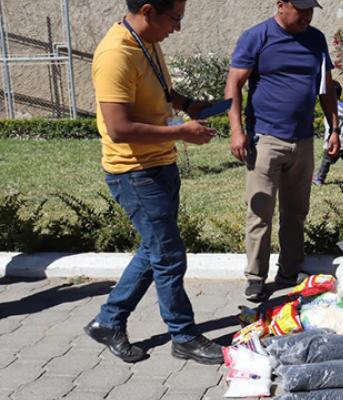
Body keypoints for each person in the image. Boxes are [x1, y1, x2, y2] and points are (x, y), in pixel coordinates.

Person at [84, 0, 223, 365]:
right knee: (169, 255)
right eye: (174, 18)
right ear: (147, 10)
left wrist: (189, 105)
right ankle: (183, 335)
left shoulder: (146, 42)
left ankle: (108, 321)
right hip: (135, 172)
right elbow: (118, 128)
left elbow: (160, 92)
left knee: (155, 249)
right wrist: (181, 132)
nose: (177, 27)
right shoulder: (115, 54)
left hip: (160, 165)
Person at [225, 0, 340, 302]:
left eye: (310, 9)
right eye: (300, 9)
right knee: (260, 211)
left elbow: (326, 86)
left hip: (303, 140)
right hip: (265, 139)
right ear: (280, 5)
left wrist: (334, 128)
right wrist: (237, 130)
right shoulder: (257, 37)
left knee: (296, 212)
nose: (307, 15)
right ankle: (255, 277)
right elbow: (234, 83)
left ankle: (289, 271)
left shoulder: (316, 39)